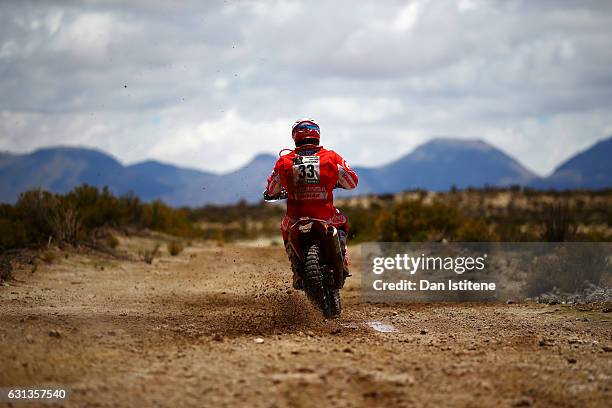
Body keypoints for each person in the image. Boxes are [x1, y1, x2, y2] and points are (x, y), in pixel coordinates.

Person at [264, 118, 359, 289]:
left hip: (295, 218)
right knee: (343, 221)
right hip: (326, 216)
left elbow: (271, 189)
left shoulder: (284, 161)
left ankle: (296, 269)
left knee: (284, 228)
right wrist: (335, 182)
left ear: (295, 136)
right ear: (317, 134)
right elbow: (352, 181)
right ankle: (342, 257)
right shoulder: (331, 157)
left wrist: (272, 194)